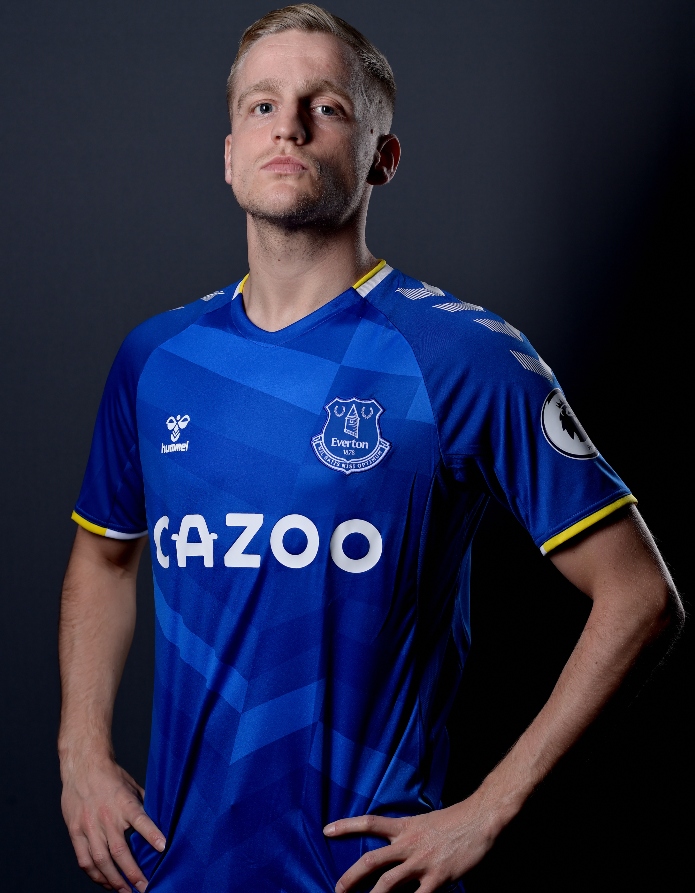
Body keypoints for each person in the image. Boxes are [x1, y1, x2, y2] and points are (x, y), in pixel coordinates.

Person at [58, 5, 683, 893]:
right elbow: (103, 556)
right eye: (262, 105)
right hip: (179, 871)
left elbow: (640, 595)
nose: (289, 126)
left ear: (382, 156)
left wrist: (489, 806)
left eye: (326, 106)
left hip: (362, 878)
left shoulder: (460, 356)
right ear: (230, 154)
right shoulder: (155, 359)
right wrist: (81, 752)